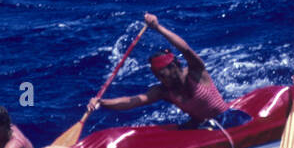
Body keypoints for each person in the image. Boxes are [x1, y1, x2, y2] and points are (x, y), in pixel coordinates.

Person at [89, 13, 245, 128]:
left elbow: (185, 49)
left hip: (226, 119)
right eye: (158, 76)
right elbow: (132, 101)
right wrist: (102, 102)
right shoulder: (163, 91)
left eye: (163, 75)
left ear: (175, 67)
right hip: (201, 126)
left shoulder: (196, 72)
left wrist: (158, 28)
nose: (161, 80)